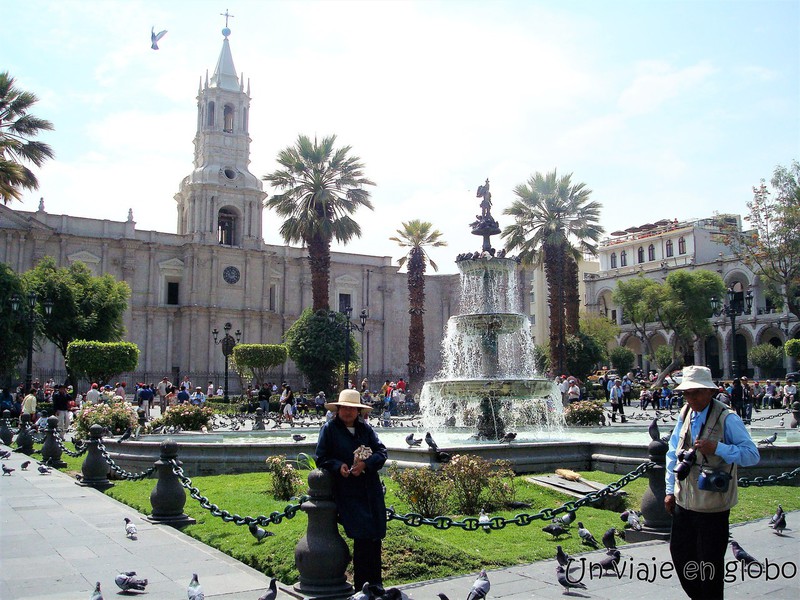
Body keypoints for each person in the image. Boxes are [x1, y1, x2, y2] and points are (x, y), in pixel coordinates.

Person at [665, 365, 760, 600]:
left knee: (710, 566)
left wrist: (718, 448)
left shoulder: (727, 418)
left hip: (712, 508)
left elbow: (752, 454)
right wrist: (669, 490)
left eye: (696, 392)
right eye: (687, 393)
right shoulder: (686, 412)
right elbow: (671, 452)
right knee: (680, 556)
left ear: (710, 392)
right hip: (684, 503)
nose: (691, 398)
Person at [315, 389, 388, 590]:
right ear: (338, 410)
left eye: (352, 408)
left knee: (375, 535)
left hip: (370, 489)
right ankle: (362, 587)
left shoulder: (366, 430)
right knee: (362, 536)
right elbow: (321, 457)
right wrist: (339, 466)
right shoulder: (329, 429)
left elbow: (382, 452)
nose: (348, 412)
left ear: (358, 411)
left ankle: (376, 584)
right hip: (348, 491)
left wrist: (366, 464)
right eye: (344, 408)